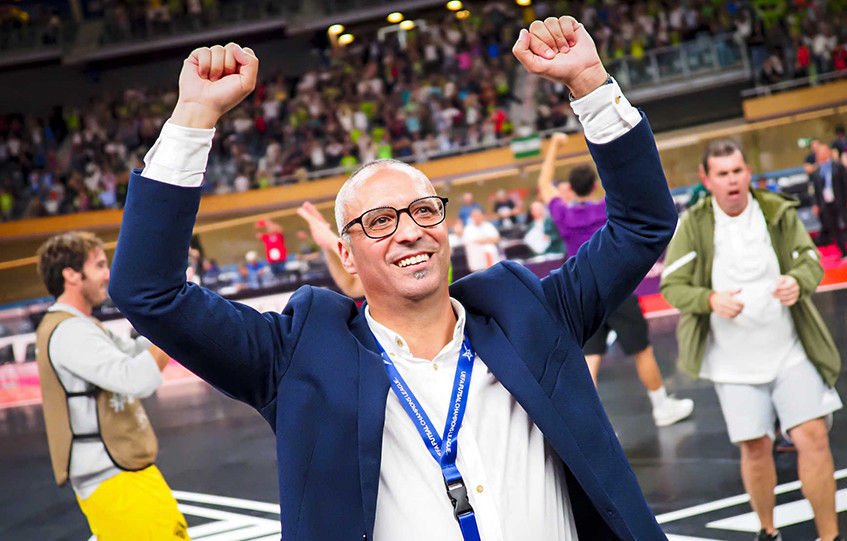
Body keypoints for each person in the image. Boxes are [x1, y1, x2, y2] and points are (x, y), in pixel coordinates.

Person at [110, 18, 678, 540]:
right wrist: (193, 119)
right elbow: (149, 292)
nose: (409, 232)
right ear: (346, 255)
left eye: (425, 211)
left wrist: (589, 82)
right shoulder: (295, 358)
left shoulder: (530, 315)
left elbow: (642, 225)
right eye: (379, 221)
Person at [660, 140, 846, 541]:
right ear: (707, 180)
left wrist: (798, 281)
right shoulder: (693, 224)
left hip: (791, 351)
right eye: (722, 174)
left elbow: (810, 260)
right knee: (756, 448)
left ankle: (831, 537)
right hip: (733, 363)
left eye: (737, 171)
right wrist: (709, 299)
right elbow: (672, 285)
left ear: (749, 174)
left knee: (813, 437)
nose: (732, 180)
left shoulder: (776, 211)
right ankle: (768, 531)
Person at [34, 231, 188, 540]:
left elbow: (135, 352)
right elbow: (137, 377)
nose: (108, 275)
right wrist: (176, 321)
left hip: (124, 472)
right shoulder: (69, 332)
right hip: (114, 479)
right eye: (100, 266)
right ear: (71, 275)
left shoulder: (82, 326)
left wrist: (171, 321)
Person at [537, 131, 694, 428]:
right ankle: (662, 408)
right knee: (641, 349)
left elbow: (544, 185)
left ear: (570, 189)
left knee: (589, 360)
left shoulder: (564, 216)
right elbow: (629, 181)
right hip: (617, 289)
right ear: (595, 185)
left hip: (581, 294)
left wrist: (554, 146)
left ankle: (588, 426)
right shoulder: (607, 207)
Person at [809, 141, 847, 259]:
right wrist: (816, 204)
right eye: (819, 153)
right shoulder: (816, 172)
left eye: (824, 152)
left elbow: (846, 184)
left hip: (841, 200)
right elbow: (815, 190)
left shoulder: (837, 166)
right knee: (833, 228)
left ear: (828, 153)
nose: (821, 154)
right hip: (826, 203)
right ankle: (844, 252)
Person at [462, 207, 503, 272]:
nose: (477, 217)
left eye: (479, 215)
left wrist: (485, 240)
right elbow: (479, 241)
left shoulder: (488, 225)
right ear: (471, 217)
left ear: (482, 215)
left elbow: (497, 238)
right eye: (475, 216)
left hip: (493, 261)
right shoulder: (468, 229)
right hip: (478, 264)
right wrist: (490, 239)